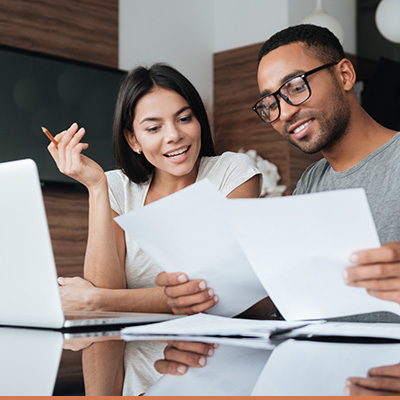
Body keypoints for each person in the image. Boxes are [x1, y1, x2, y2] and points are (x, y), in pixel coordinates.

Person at [155, 23, 400, 374]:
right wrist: (202, 296)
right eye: (270, 103)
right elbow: (290, 301)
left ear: (344, 74)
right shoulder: (311, 182)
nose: (283, 113)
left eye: (295, 87)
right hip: (328, 376)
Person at [47, 63, 264, 394]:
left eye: (184, 118)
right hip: (133, 377)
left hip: (215, 368)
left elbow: (216, 294)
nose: (174, 135)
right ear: (133, 140)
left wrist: (94, 300)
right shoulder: (117, 186)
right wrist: (96, 188)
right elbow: (107, 296)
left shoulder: (232, 173)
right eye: (153, 128)